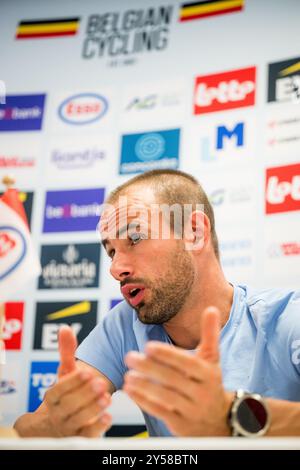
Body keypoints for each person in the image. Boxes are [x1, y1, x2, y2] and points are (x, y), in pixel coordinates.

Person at [14, 169, 300, 437]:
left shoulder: (287, 316)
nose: (116, 269)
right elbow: (25, 429)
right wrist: (52, 424)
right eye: (111, 251)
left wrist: (232, 417)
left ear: (195, 233)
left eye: (135, 237)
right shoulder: (126, 323)